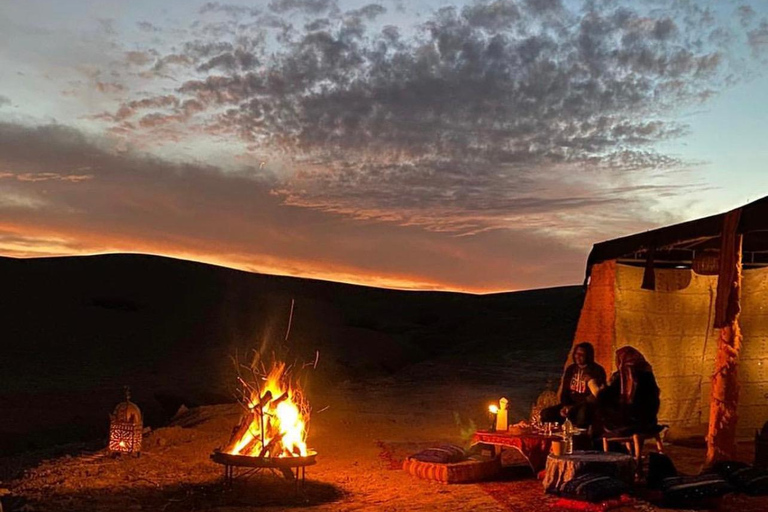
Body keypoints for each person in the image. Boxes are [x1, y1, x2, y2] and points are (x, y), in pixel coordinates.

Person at [540, 342, 607, 429]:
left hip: (585, 406)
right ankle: (553, 438)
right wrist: (565, 406)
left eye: (581, 354)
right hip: (569, 405)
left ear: (588, 355)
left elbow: (596, 396)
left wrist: (573, 407)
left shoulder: (597, 370)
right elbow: (565, 391)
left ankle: (580, 438)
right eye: (576, 353)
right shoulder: (571, 369)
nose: (577, 356)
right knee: (546, 413)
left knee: (582, 413)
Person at [598, 346, 660, 435]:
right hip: (650, 422)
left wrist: (603, 390)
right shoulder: (647, 373)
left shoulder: (624, 376)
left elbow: (607, 399)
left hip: (629, 423)